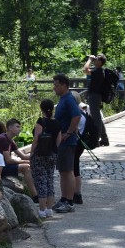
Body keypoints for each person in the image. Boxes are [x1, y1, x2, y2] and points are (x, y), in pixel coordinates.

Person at [51, 74, 82, 213]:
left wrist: (68, 132)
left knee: (68, 171)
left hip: (68, 141)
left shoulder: (69, 99)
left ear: (64, 85)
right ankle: (63, 198)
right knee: (63, 171)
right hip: (62, 142)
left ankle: (69, 201)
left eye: (56, 85)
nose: (54, 88)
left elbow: (77, 115)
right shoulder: (63, 99)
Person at [30, 99, 61, 218]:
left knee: (40, 181)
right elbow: (58, 141)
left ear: (41, 109)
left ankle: (42, 210)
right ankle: (49, 210)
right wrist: (54, 152)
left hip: (40, 155)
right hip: (52, 155)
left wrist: (32, 153)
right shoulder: (57, 123)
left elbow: (36, 139)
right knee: (49, 181)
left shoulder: (41, 121)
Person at [0, 119, 39, 202]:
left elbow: (23, 156)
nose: (20, 129)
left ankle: (39, 192)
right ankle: (35, 196)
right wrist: (26, 162)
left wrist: (37, 156)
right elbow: (8, 160)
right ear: (10, 128)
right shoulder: (3, 139)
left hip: (4, 166)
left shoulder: (11, 140)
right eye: (17, 127)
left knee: (32, 165)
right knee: (26, 167)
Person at [82, 54, 110, 146]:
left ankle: (96, 140)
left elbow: (85, 70)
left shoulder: (98, 71)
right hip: (95, 96)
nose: (95, 60)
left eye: (97, 59)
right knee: (97, 118)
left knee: (96, 118)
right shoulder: (98, 71)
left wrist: (89, 60)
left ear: (100, 62)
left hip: (94, 96)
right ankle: (104, 139)